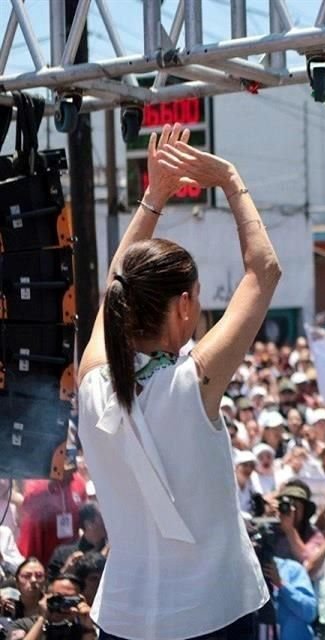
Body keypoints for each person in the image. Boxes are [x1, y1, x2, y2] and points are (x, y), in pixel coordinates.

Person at [77, 123, 281, 639]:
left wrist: (153, 198)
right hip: (210, 616)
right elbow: (264, 271)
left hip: (123, 618)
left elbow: (113, 289)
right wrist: (231, 181)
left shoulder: (93, 384)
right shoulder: (192, 385)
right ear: (185, 305)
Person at [9, 574, 95, 640]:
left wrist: (87, 627)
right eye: (59, 597)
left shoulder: (81, 629)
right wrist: (42, 618)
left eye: (70, 599)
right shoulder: (24, 625)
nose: (64, 602)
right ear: (47, 597)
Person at [47, 503, 106, 579]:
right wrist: (67, 570)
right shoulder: (63, 553)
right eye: (103, 518)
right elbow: (50, 585)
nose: (109, 522)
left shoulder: (114, 551)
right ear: (89, 524)